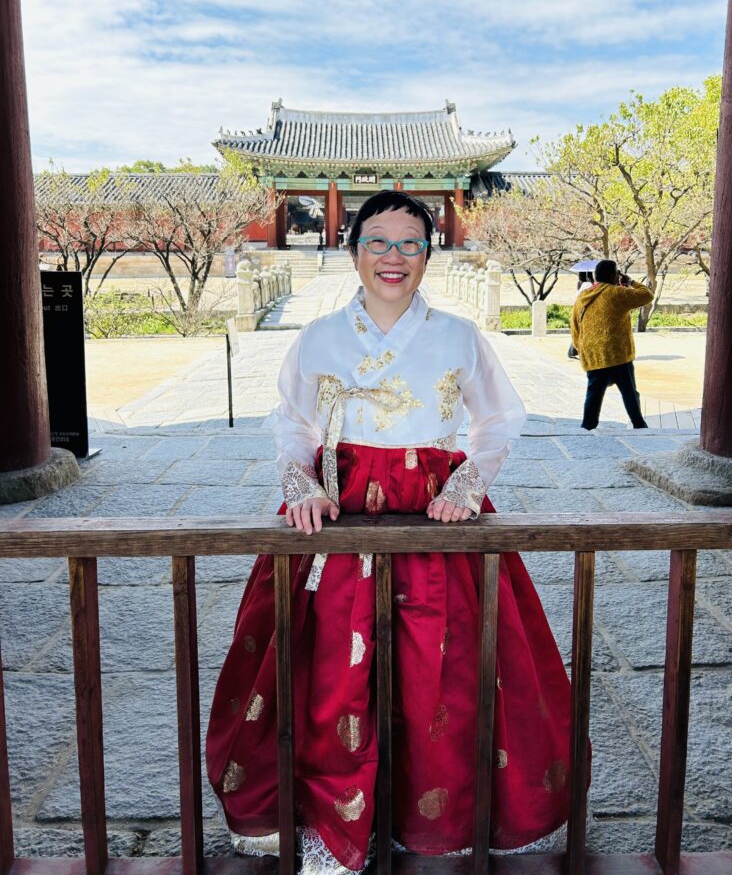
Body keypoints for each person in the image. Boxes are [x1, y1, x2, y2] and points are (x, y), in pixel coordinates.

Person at [206, 191, 573, 873]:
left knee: (442, 668)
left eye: (410, 243)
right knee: (327, 671)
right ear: (353, 251)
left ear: (429, 255)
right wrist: (301, 483)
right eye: (377, 241)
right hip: (341, 509)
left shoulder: (458, 335)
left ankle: (434, 817)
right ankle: (328, 821)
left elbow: (498, 418)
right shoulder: (319, 337)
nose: (393, 257)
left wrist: (467, 484)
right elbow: (294, 423)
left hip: (430, 509)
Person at [569, 258, 653, 430]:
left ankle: (587, 427)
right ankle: (639, 426)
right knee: (629, 392)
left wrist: (583, 348)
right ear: (615, 276)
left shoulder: (582, 297)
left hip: (593, 353)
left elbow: (575, 327)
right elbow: (647, 295)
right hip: (617, 354)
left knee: (594, 394)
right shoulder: (617, 293)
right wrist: (630, 281)